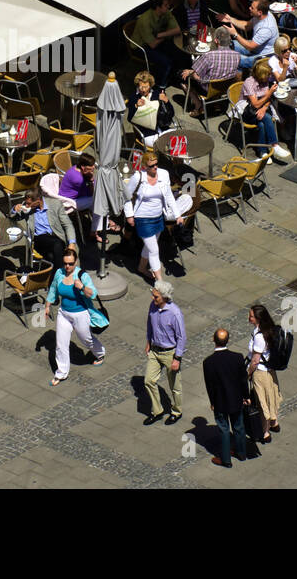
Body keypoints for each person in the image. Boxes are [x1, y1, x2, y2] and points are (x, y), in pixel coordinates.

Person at [123, 151, 191, 280]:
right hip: (142, 218)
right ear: (144, 166)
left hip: (158, 217)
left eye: (156, 164)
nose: (155, 168)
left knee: (150, 246)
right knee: (154, 250)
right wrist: (129, 215)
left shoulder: (164, 174)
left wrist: (177, 215)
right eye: (151, 166)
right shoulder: (138, 177)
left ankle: (141, 268)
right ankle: (160, 282)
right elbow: (126, 196)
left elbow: (169, 196)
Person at [44, 247, 105, 385]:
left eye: (70, 263)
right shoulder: (59, 273)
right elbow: (53, 289)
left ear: (76, 262)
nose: (67, 266)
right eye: (65, 263)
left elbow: (93, 294)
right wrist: (47, 306)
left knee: (86, 340)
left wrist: (82, 287)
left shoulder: (82, 276)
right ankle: (61, 373)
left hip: (80, 314)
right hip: (64, 313)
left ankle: (100, 352)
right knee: (60, 344)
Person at [203, 328, 250, 467]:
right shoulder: (237, 357)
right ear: (228, 340)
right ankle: (242, 453)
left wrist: (212, 402)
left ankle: (225, 459)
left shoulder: (208, 362)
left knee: (223, 429)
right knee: (239, 427)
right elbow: (243, 380)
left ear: (214, 340)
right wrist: (246, 396)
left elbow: (209, 385)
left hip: (220, 401)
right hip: (236, 399)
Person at [142, 279, 185, 425]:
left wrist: (177, 358)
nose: (153, 298)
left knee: (175, 386)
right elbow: (149, 324)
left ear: (165, 297)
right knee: (148, 381)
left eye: (156, 297)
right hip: (155, 351)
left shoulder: (175, 313)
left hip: (169, 353)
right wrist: (148, 341)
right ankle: (157, 410)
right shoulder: (152, 307)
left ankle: (176, 411)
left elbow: (181, 337)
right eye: (153, 295)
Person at [11, 186, 77, 266]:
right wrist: (14, 209)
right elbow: (12, 218)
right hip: (40, 239)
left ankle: (55, 275)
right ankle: (62, 275)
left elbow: (67, 224)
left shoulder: (55, 204)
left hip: (56, 236)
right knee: (57, 245)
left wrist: (72, 243)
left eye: (29, 203)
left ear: (38, 201)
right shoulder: (27, 208)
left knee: (52, 256)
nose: (27, 206)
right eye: (26, 203)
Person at [131, 0, 186, 87]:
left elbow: (177, 29)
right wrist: (166, 35)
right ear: (158, 6)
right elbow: (152, 44)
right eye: (166, 5)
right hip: (141, 47)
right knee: (165, 61)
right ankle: (159, 85)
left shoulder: (166, 13)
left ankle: (173, 77)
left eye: (169, 5)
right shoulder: (145, 20)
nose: (168, 7)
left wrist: (161, 34)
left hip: (156, 40)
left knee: (177, 52)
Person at [246, 304, 283, 444]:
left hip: (260, 373)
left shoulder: (260, 337)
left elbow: (255, 360)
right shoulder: (269, 329)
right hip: (269, 370)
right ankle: (274, 422)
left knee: (262, 403)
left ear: (258, 318)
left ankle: (265, 432)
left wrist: (248, 374)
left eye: (251, 316)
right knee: (271, 397)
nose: (249, 318)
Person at [179, 45, 242, 117]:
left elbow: (196, 76)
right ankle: (216, 102)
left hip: (208, 91)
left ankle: (198, 105)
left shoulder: (209, 56)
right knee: (219, 74)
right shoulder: (237, 55)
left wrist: (190, 72)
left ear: (216, 41)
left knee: (182, 76)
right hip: (225, 89)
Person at [219, 0, 279, 70]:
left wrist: (235, 34)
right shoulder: (261, 15)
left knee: (234, 58)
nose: (249, 8)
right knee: (228, 44)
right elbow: (247, 26)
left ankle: (239, 77)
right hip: (256, 47)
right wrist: (230, 19)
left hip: (263, 57)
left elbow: (250, 46)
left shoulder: (266, 28)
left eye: (252, 8)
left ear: (259, 12)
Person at [238, 60, 279, 157]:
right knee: (267, 118)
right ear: (261, 76)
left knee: (261, 124)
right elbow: (255, 104)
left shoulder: (267, 81)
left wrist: (264, 108)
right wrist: (269, 93)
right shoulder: (249, 83)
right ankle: (274, 145)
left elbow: (270, 99)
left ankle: (263, 151)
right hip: (248, 111)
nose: (269, 76)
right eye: (267, 75)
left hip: (261, 109)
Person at [127, 70, 176, 147]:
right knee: (167, 145)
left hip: (162, 128)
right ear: (137, 86)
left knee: (180, 142)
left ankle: (176, 158)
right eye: (141, 87)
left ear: (150, 85)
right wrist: (136, 106)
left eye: (146, 87)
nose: (143, 90)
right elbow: (130, 119)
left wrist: (166, 101)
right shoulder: (134, 98)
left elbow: (171, 113)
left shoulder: (157, 94)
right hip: (147, 133)